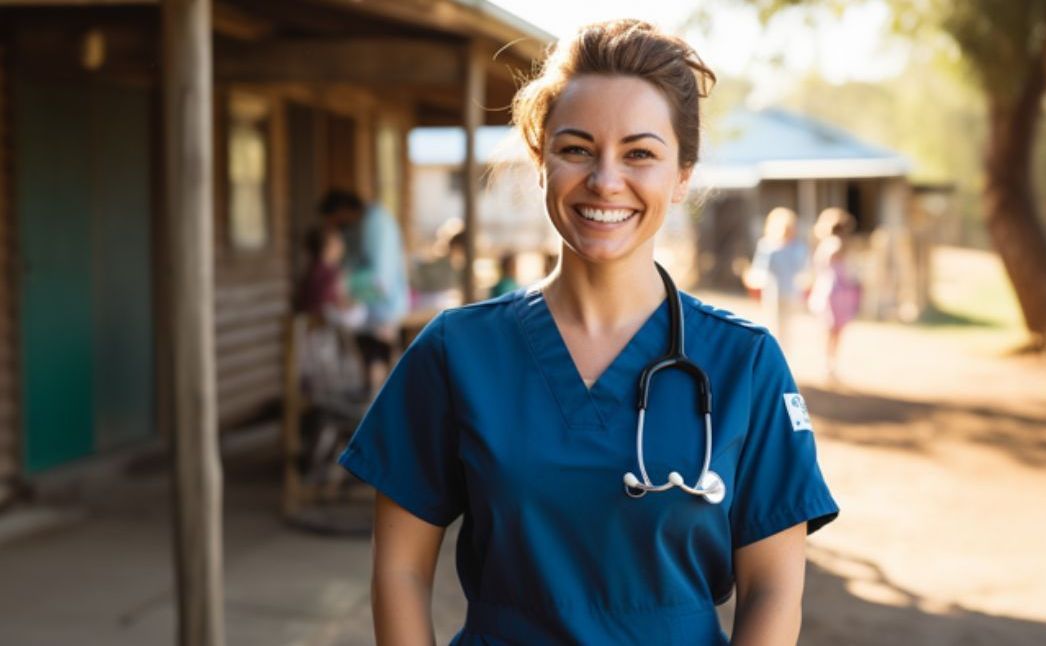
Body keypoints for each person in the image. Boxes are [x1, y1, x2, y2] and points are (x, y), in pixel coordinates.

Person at [337, 20, 838, 645]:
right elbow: (400, 571)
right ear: (539, 158)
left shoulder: (745, 364)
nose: (605, 180)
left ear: (682, 174)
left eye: (640, 154)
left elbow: (773, 588)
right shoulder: (455, 353)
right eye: (576, 148)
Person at [318, 189, 410, 391]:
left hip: (384, 307)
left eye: (335, 219)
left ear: (343, 210)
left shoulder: (376, 223)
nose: (335, 226)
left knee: (380, 361)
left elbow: (380, 279)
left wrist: (342, 287)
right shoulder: (355, 227)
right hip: (368, 308)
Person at [807, 207, 862, 383]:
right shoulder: (835, 245)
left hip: (831, 291)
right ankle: (829, 364)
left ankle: (829, 364)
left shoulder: (826, 245)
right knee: (833, 329)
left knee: (831, 329)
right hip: (835, 292)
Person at [745, 207, 808, 349]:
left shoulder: (798, 247)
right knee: (774, 324)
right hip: (773, 291)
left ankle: (785, 354)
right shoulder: (767, 246)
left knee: (788, 326)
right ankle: (774, 352)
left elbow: (802, 268)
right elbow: (761, 269)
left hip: (791, 292)